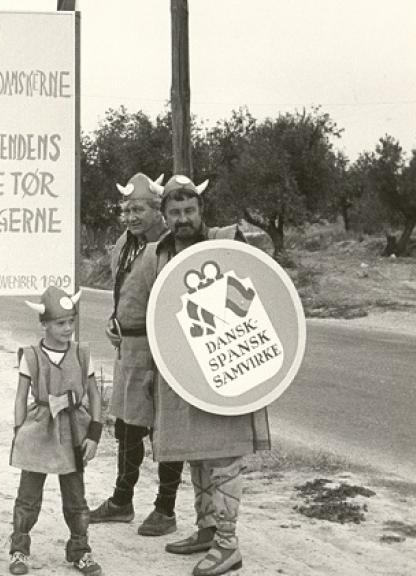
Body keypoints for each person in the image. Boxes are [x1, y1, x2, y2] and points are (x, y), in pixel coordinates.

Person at [147, 175, 269, 576]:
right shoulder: (161, 251)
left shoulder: (224, 240)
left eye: (190, 210)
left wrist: (250, 243)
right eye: (175, 212)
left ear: (200, 211)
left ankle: (227, 544)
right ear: (164, 215)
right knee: (197, 454)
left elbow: (264, 273)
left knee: (222, 453)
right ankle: (206, 528)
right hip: (185, 371)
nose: (183, 219)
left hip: (224, 369)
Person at [91, 173, 185, 537]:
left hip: (160, 353)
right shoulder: (125, 244)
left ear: (156, 209)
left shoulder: (169, 246)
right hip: (127, 351)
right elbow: (124, 294)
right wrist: (112, 322)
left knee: (166, 429)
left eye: (137, 208)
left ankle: (166, 509)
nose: (129, 216)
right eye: (125, 209)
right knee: (127, 428)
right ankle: (121, 501)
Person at [8, 286, 104, 576]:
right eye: (60, 323)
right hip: (40, 428)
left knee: (76, 497)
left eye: (71, 321)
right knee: (28, 495)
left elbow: (95, 396)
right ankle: (19, 550)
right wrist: (18, 432)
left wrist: (95, 434)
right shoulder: (32, 356)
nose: (67, 328)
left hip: (74, 431)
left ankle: (79, 549)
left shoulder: (82, 353)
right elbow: (20, 396)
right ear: (44, 324)